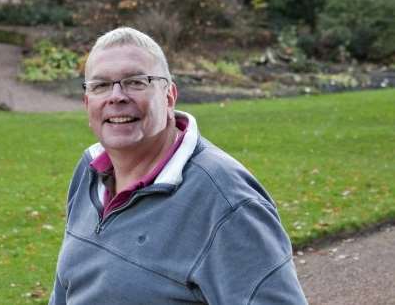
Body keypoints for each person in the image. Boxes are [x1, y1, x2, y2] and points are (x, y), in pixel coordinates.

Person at [49, 27, 307, 305]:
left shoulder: (227, 202)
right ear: (88, 103)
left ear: (169, 96)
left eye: (136, 82)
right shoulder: (90, 171)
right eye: (100, 85)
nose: (116, 96)